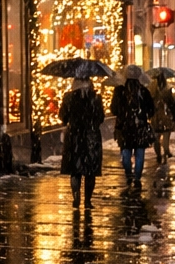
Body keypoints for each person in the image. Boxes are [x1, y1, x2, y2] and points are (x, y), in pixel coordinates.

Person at [59, 76, 105, 209]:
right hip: (91, 137)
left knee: (75, 169)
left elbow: (63, 117)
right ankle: (88, 201)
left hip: (74, 136)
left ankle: (76, 195)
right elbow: (101, 117)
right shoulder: (95, 98)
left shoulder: (69, 98)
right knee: (90, 170)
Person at [110, 65, 155, 191]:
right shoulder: (144, 91)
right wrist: (143, 114)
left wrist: (122, 113)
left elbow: (114, 109)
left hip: (124, 127)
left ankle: (129, 174)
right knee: (140, 153)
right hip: (140, 126)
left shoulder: (119, 91)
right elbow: (151, 109)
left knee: (126, 153)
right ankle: (137, 178)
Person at [149, 70, 175, 162]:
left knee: (158, 138)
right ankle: (164, 152)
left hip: (158, 116)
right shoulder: (167, 89)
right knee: (163, 136)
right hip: (163, 116)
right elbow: (172, 102)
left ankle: (161, 154)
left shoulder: (152, 89)